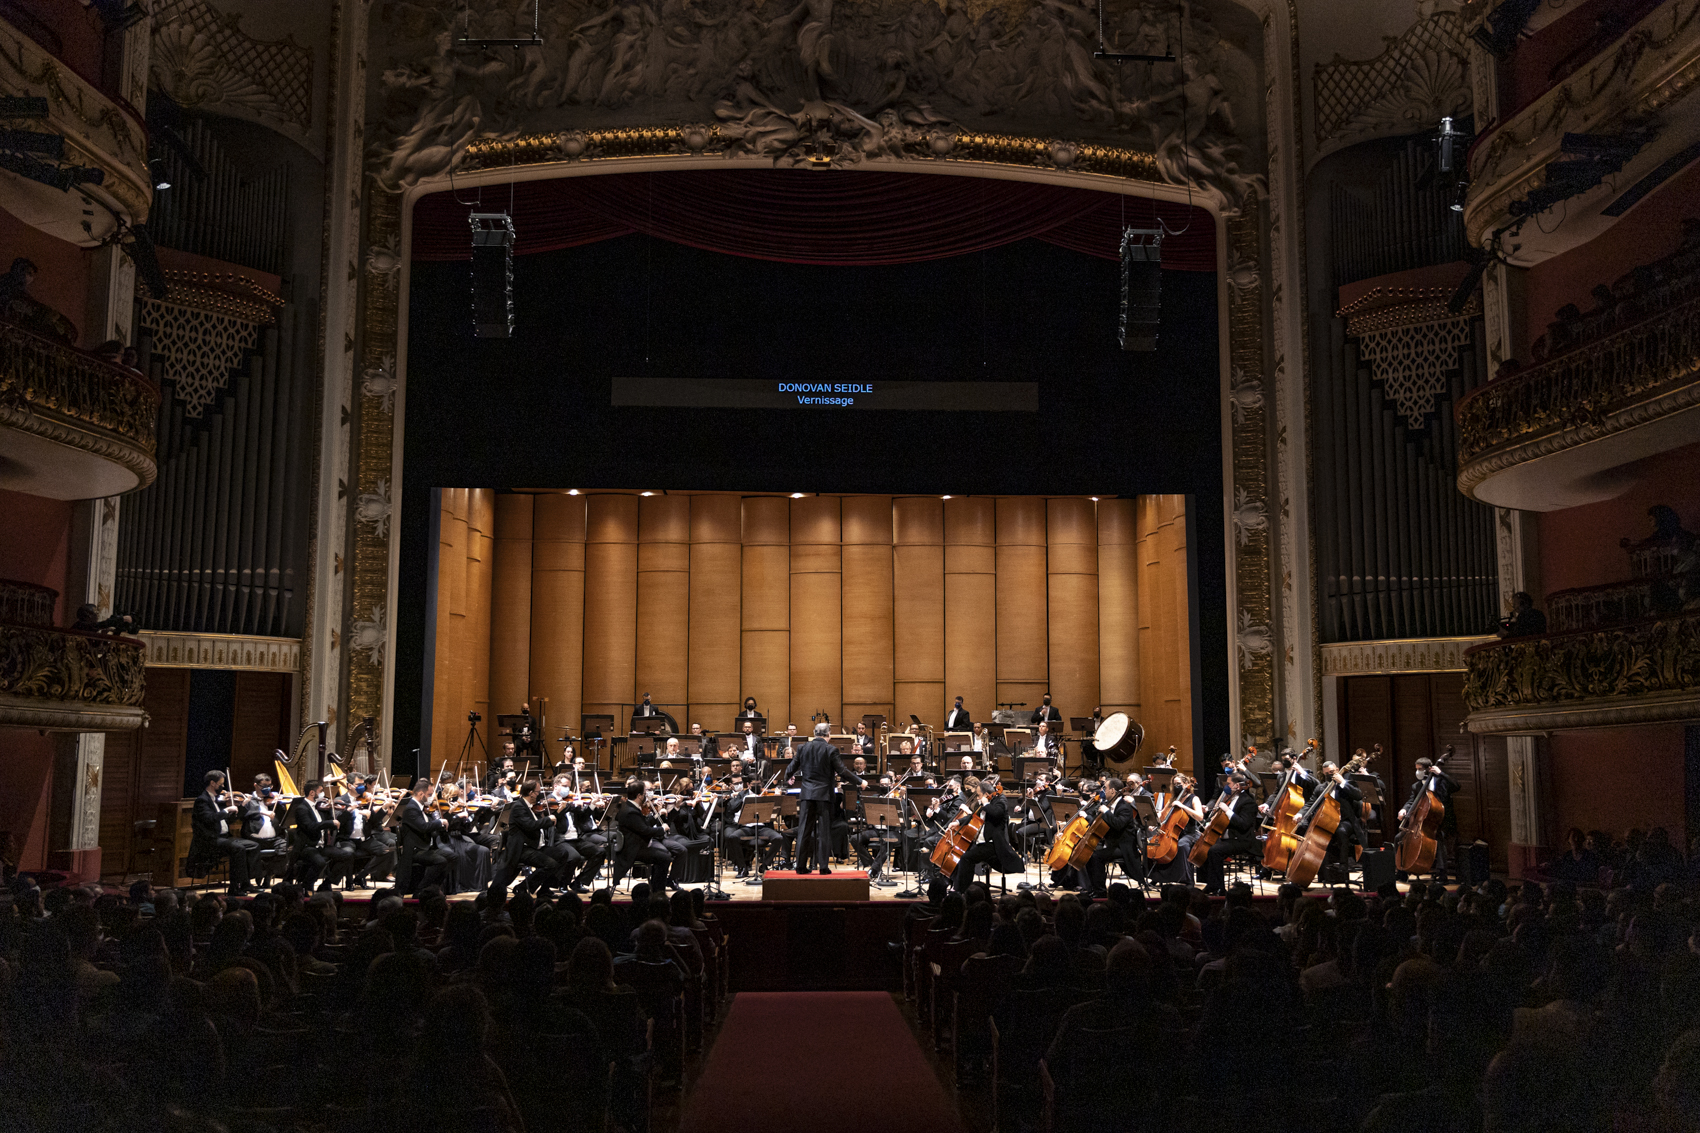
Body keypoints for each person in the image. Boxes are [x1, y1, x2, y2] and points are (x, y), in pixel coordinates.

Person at [785, 722, 865, 875]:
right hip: (824, 796)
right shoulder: (831, 749)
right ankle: (823, 867)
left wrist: (788, 778)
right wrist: (860, 781)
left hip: (807, 795)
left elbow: (791, 768)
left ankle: (800, 866)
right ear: (828, 734)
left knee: (803, 831)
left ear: (814, 733)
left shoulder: (802, 748)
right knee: (823, 832)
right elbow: (842, 771)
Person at [948, 775, 1022, 892]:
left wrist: (986, 804)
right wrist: (957, 822)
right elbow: (974, 817)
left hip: (993, 844)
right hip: (981, 842)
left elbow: (997, 813)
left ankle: (960, 890)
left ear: (986, 794)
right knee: (959, 853)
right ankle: (956, 884)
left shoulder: (1000, 800)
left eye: (978, 795)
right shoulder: (984, 803)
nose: (977, 798)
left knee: (967, 858)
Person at [190, 770, 255, 896]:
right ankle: (235, 888)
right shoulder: (202, 800)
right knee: (238, 848)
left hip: (223, 838)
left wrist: (242, 806)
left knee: (253, 846)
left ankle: (246, 883)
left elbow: (229, 820)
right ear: (213, 783)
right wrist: (226, 810)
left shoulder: (216, 800)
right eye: (221, 784)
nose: (223, 787)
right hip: (210, 840)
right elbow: (210, 818)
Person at [1398, 754, 1461, 884]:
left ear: (1429, 769)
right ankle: (1401, 871)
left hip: (1442, 820)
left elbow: (1457, 786)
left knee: (1439, 838)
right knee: (1399, 838)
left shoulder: (1441, 781)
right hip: (1423, 822)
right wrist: (1404, 809)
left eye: (1420, 769)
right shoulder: (1416, 786)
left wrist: (1441, 773)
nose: (1418, 772)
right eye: (1416, 769)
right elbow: (1412, 800)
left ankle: (1442, 874)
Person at [1199, 771, 1260, 895]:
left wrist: (1227, 810)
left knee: (1214, 851)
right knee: (1204, 847)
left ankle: (1220, 888)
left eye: (1229, 784)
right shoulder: (1231, 799)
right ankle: (1210, 884)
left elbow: (1243, 825)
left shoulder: (1248, 802)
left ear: (1237, 785)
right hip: (1228, 838)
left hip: (1242, 840)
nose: (1226, 787)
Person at [1085, 776, 1142, 898]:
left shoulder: (1125, 807)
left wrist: (1106, 812)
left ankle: (1100, 892)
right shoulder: (1109, 804)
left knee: (1096, 857)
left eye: (1105, 788)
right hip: (1113, 844)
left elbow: (1118, 824)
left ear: (1112, 791)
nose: (1103, 791)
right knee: (1089, 854)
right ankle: (1092, 888)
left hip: (1124, 847)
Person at [611, 778, 673, 889]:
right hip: (632, 850)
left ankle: (656, 888)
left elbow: (642, 825)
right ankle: (658, 891)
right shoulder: (630, 812)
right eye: (644, 793)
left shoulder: (631, 807)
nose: (646, 796)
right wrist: (662, 829)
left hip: (636, 846)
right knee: (665, 857)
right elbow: (646, 831)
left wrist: (656, 816)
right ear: (639, 796)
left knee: (663, 854)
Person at [396, 778, 451, 893]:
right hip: (415, 850)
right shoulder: (411, 808)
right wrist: (440, 822)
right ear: (421, 794)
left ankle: (437, 888)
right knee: (440, 861)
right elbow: (423, 827)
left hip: (425, 846)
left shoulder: (421, 808)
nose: (431, 797)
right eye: (430, 794)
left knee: (452, 856)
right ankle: (422, 889)